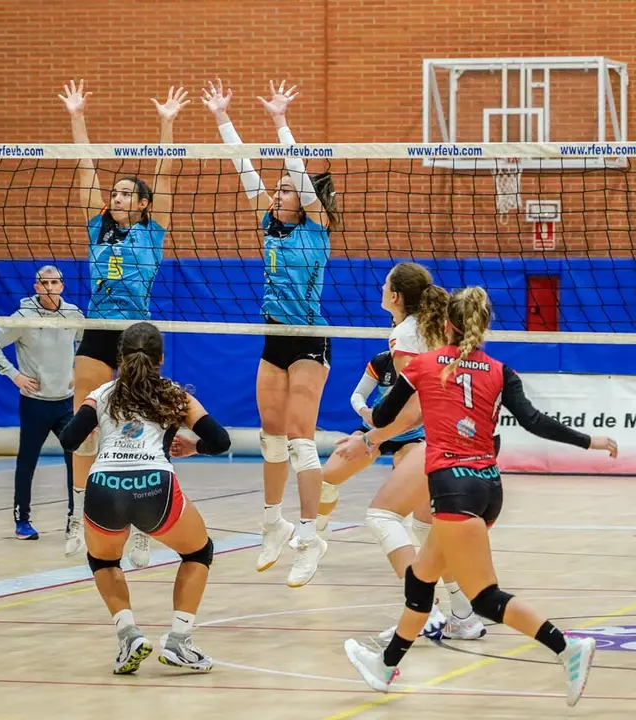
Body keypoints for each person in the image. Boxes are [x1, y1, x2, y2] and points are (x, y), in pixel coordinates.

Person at [338, 286, 617, 707]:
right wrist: (590, 441)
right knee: (420, 577)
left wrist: (365, 417)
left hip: (453, 490)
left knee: (485, 598)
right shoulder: (500, 371)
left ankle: (567, 648)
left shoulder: (423, 365)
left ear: (445, 324)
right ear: (483, 326)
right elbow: (536, 422)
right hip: (487, 489)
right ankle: (385, 665)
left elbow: (382, 416)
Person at [203, 78, 339, 587]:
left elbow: (300, 175)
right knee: (273, 437)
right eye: (277, 188)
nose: (276, 191)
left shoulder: (316, 226)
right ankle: (272, 523)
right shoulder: (270, 223)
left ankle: (309, 536)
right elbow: (242, 165)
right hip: (273, 335)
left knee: (303, 439)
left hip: (309, 336)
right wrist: (222, 117)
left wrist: (281, 121)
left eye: (284, 188)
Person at [57, 79, 188, 565]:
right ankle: (76, 514)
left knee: (146, 425)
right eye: (114, 192)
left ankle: (143, 527)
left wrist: (167, 124)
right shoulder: (98, 227)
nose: (116, 197)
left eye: (127, 193)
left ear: (144, 204)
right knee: (86, 423)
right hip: (98, 327)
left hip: (137, 334)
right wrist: (77, 116)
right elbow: (85, 166)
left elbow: (167, 171)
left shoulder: (153, 230)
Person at [322, 263, 486, 640]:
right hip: (461, 438)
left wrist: (370, 438)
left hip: (435, 439)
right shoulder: (436, 329)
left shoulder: (407, 334)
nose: (380, 288)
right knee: (429, 528)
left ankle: (423, 609)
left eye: (385, 285)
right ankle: (463, 614)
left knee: (382, 516)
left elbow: (414, 410)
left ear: (395, 296)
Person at [58, 321, 230, 674]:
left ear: (119, 357)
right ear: (161, 358)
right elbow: (220, 441)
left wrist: (102, 432)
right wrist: (194, 447)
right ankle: (179, 641)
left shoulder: (103, 393)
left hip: (103, 487)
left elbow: (69, 439)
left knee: (104, 562)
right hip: (155, 486)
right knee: (198, 551)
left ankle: (128, 635)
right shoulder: (174, 394)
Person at [0, 266, 84, 540]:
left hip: (65, 403)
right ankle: (22, 521)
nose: (50, 287)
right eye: (44, 283)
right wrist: (15, 375)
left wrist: (77, 371)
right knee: (27, 462)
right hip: (34, 404)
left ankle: (74, 519)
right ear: (36, 287)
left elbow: (85, 345)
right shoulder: (23, 318)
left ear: (62, 286)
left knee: (75, 461)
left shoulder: (74, 315)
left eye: (55, 282)